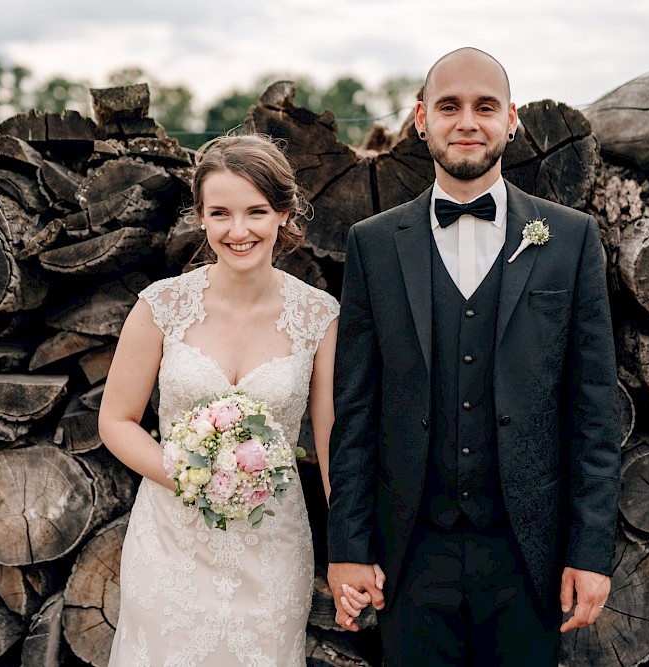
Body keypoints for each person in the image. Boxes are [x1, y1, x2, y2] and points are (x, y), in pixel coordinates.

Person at [326, 47, 621, 665]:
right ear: (420, 120)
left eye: (485, 107)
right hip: (411, 553)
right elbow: (355, 410)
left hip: (528, 556)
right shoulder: (373, 245)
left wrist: (591, 552)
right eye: (449, 106)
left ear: (512, 119)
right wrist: (348, 545)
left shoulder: (569, 239)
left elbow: (594, 411)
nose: (467, 122)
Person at [99, 134, 360, 666]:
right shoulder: (161, 307)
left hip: (272, 545)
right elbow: (116, 420)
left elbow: (334, 444)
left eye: (256, 212)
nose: (238, 231)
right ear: (200, 217)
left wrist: (351, 550)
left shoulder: (319, 317)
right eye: (220, 213)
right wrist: (192, 474)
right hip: (170, 542)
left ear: (285, 215)